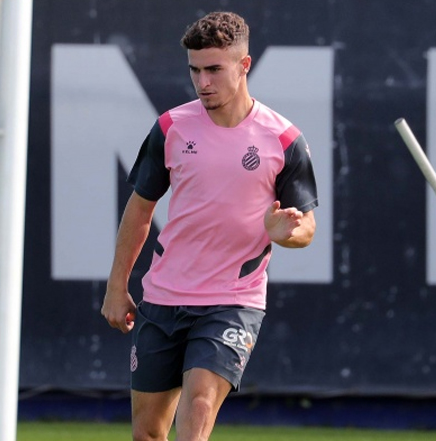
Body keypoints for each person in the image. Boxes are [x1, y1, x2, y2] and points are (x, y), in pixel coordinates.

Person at [101, 11, 318, 441]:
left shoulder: (284, 139)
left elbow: (306, 225)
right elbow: (139, 211)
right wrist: (116, 286)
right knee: (147, 433)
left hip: (233, 301)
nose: (203, 82)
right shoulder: (171, 128)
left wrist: (287, 233)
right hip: (164, 297)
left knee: (198, 407)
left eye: (214, 69)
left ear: (244, 65)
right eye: (195, 70)